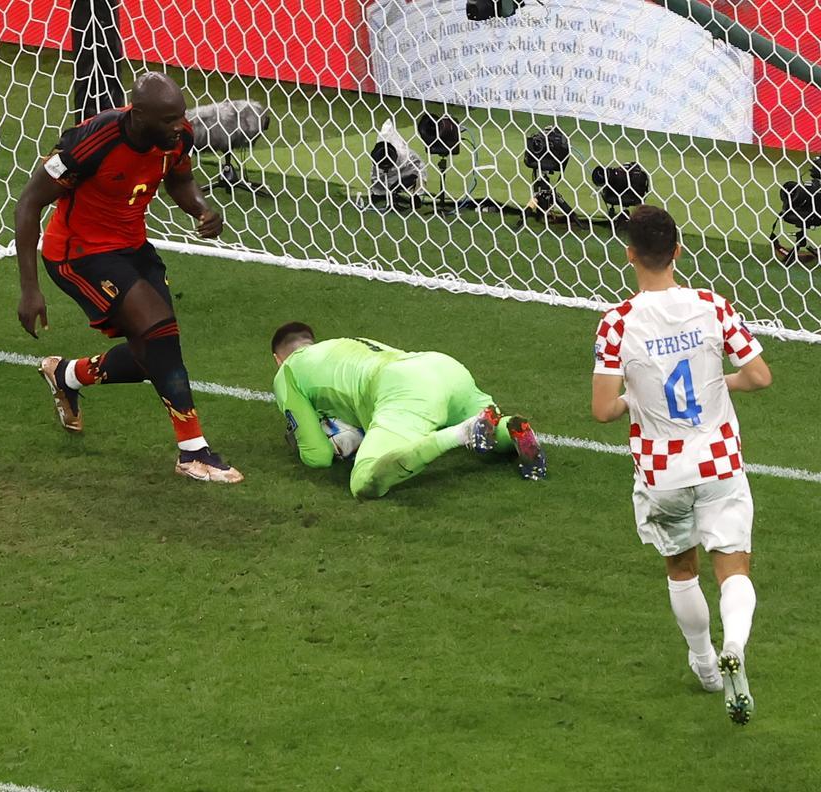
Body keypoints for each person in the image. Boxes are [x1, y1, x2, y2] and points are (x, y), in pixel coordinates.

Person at [13, 72, 242, 484]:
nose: (181, 125)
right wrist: (30, 288)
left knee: (148, 355)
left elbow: (180, 179)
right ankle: (193, 452)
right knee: (161, 332)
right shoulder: (90, 141)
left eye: (182, 116)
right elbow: (28, 205)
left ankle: (65, 374)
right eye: (170, 118)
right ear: (139, 116)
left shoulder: (178, 136)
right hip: (77, 254)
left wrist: (202, 210)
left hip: (132, 248)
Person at [591, 205, 771, 725]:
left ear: (630, 254)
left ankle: (705, 663)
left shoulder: (617, 323)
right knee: (732, 564)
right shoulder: (713, 307)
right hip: (718, 462)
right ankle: (735, 642)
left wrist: (632, 399)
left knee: (681, 568)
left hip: (661, 472)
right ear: (678, 250)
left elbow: (604, 409)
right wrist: (722, 383)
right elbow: (759, 376)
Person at [270, 322, 547, 499]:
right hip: (443, 368)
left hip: (404, 389)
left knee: (363, 482)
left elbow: (317, 456)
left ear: (277, 359)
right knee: (489, 426)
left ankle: (459, 433)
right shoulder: (343, 342)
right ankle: (510, 428)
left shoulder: (289, 371)